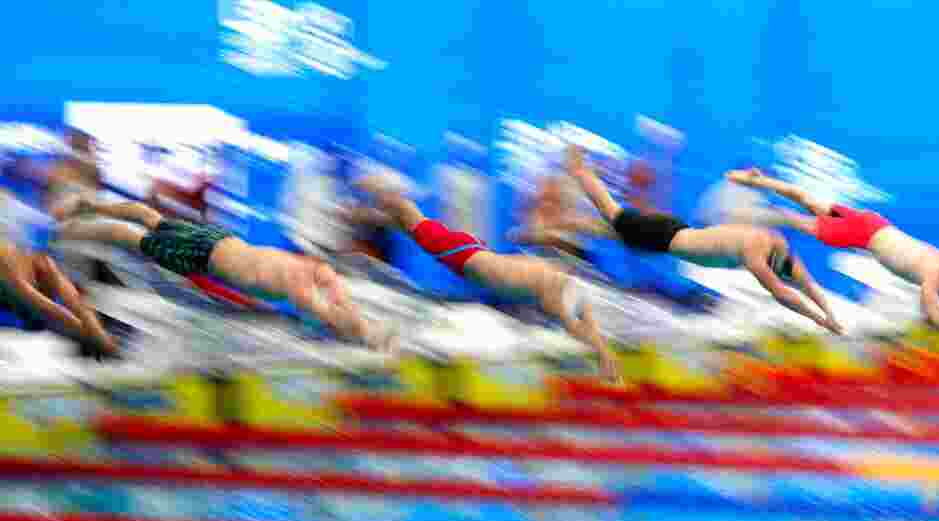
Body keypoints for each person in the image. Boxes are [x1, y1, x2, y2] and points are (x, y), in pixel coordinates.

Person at [342, 167, 622, 385]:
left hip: (475, 255)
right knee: (412, 220)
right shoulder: (558, 294)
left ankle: (366, 212)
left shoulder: (564, 282)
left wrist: (605, 355)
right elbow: (578, 326)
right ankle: (380, 188)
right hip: (471, 260)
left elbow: (587, 328)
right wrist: (603, 356)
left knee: (412, 228)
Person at [558, 146, 842, 335]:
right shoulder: (754, 254)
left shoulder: (773, 243)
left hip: (672, 234)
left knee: (612, 230)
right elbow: (783, 293)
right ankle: (579, 170)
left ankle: (565, 223)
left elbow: (806, 283)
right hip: (667, 237)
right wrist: (818, 319)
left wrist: (828, 314)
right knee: (611, 212)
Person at [728, 168, 939, 352]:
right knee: (802, 199)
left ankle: (753, 200)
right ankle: (756, 181)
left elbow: (934, 317)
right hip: (872, 223)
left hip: (862, 235)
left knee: (795, 215)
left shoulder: (933, 279)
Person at [53, 197, 391, 352]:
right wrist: (363, 336)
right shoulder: (303, 282)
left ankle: (88, 210)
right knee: (129, 236)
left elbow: (334, 300)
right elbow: (326, 312)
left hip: (220, 238)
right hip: (205, 256)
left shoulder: (312, 268)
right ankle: (78, 228)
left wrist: (357, 323)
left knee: (147, 216)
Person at [0, 190, 117, 355]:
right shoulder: (9, 254)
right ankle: (90, 335)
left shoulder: (34, 255)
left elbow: (69, 296)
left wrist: (96, 331)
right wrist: (87, 331)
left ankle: (94, 333)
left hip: (29, 282)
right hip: (24, 296)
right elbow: (36, 298)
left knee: (50, 273)